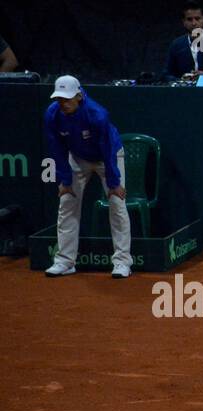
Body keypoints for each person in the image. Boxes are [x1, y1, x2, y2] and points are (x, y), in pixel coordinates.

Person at [43, 76, 132, 279]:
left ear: (79, 96)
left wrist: (113, 182)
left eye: (67, 99)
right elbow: (56, 147)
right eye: (59, 99)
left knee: (117, 203)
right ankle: (65, 261)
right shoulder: (52, 114)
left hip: (107, 156)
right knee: (66, 202)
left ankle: (122, 262)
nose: (62, 104)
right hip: (78, 157)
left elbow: (107, 149)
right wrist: (65, 180)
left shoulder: (97, 115)